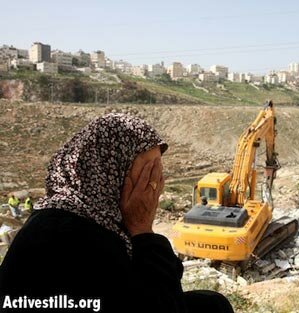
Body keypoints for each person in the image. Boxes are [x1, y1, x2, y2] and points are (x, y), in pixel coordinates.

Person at [0, 113, 233, 313]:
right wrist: (142, 229)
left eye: (158, 171)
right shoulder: (72, 235)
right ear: (106, 172)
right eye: (147, 174)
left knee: (211, 304)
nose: (156, 185)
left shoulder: (90, 216)